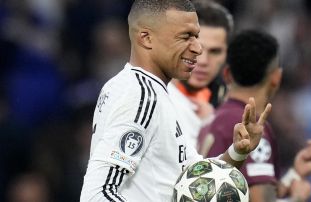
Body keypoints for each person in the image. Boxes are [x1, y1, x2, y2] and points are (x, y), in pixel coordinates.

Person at [80, 1, 271, 201]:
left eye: (196, 37)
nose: (198, 48)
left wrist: (238, 151)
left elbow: (193, 178)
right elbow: (97, 195)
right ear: (146, 38)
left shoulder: (148, 91)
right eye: (185, 37)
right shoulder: (141, 96)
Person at [198, 30, 311, 201]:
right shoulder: (252, 129)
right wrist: (296, 199)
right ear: (276, 78)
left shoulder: (214, 118)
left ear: (227, 74)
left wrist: (294, 175)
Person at [168, 0, 233, 147]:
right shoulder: (150, 98)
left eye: (215, 51)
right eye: (195, 48)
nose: (203, 61)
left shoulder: (230, 108)